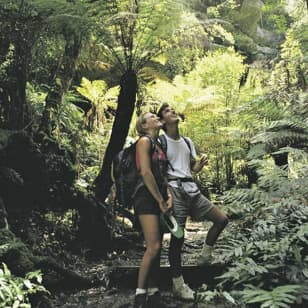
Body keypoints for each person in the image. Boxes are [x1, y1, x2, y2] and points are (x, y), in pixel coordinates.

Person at [157, 103, 228, 301]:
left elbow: (190, 169)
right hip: (175, 191)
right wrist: (166, 194)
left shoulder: (187, 142)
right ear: (163, 121)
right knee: (178, 238)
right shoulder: (161, 141)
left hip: (193, 190)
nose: (172, 111)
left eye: (172, 109)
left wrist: (199, 165)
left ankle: (205, 255)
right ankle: (178, 284)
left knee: (221, 219)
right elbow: (159, 170)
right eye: (167, 111)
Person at [133, 112, 173, 308]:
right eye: (150, 116)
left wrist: (168, 196)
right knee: (154, 246)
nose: (155, 116)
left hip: (158, 197)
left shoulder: (159, 144)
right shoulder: (144, 141)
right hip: (146, 197)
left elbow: (162, 175)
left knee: (157, 246)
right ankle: (139, 296)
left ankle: (153, 292)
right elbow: (146, 172)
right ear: (144, 124)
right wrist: (159, 200)